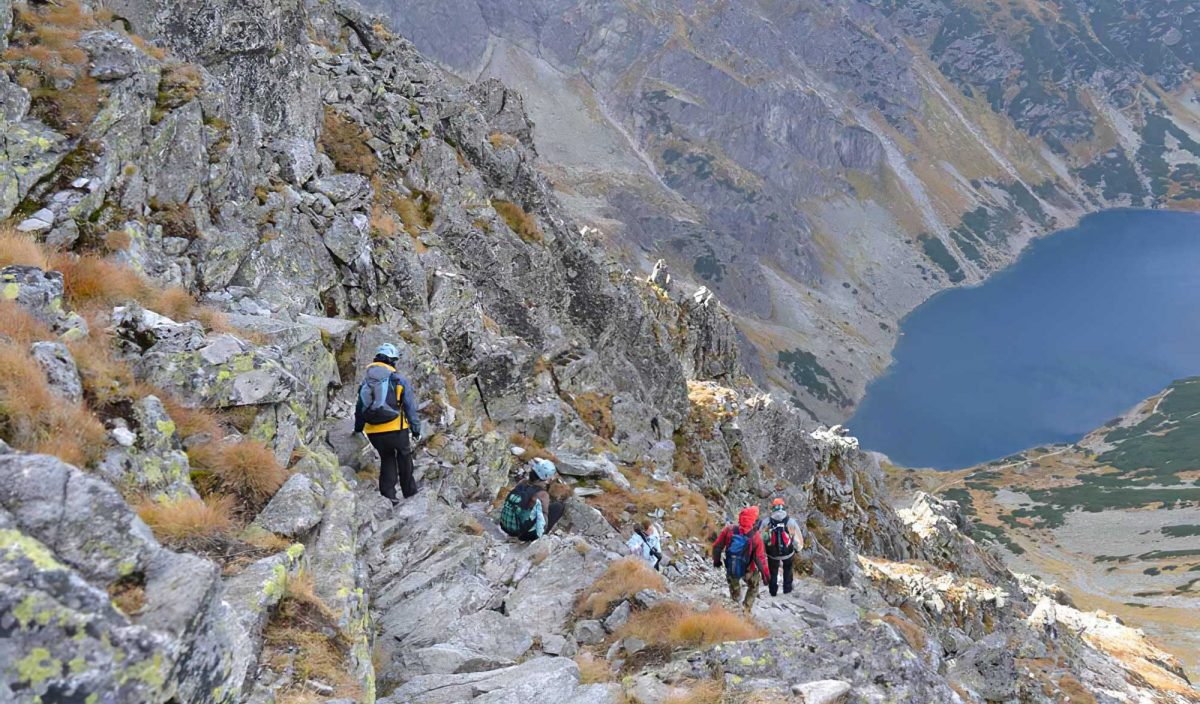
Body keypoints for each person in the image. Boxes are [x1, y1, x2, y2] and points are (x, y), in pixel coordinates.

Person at [354, 343, 421, 505]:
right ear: (392, 361)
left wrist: (358, 429)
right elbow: (410, 406)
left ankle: (388, 495)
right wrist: (416, 429)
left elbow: (360, 407)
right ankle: (410, 492)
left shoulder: (367, 380)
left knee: (387, 457)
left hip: (374, 432)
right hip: (396, 428)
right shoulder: (398, 379)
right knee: (404, 457)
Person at [712, 506, 770, 613]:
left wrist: (717, 561)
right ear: (753, 520)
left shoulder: (729, 530)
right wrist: (766, 576)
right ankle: (746, 609)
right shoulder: (756, 537)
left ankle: (735, 602)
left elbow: (717, 546)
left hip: (732, 567)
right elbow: (760, 559)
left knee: (733, 584)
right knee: (754, 586)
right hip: (748, 570)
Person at [498, 458, 565, 541]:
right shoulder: (542, 494)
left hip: (505, 527)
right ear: (546, 478)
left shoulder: (522, 483)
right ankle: (540, 538)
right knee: (558, 506)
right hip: (523, 534)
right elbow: (544, 521)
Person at [764, 497, 803, 597]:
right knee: (788, 570)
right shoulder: (791, 521)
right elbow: (798, 539)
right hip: (788, 553)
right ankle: (787, 590)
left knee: (773, 571)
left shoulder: (766, 522)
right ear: (783, 507)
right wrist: (797, 549)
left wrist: (764, 550)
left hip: (772, 554)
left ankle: (772, 592)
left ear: (773, 507)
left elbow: (760, 538)